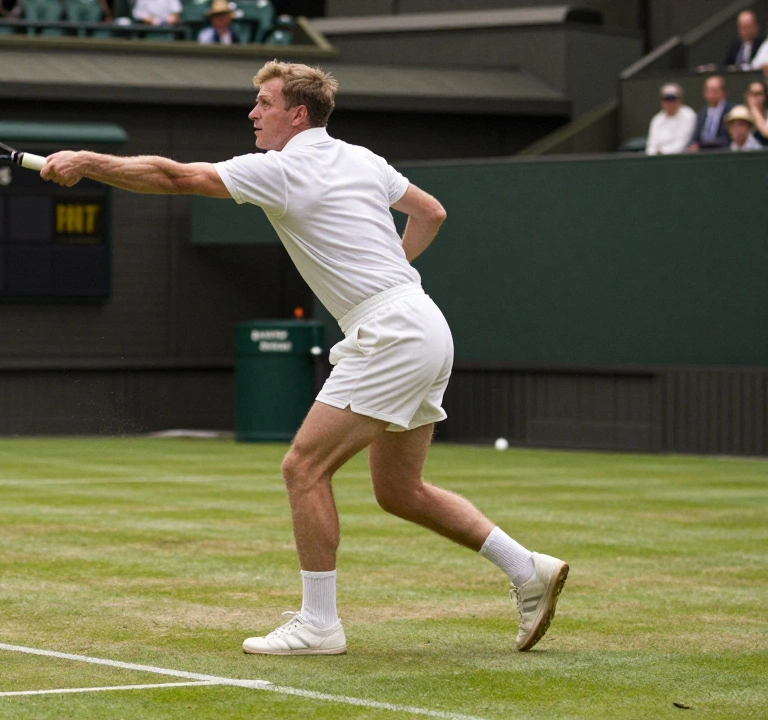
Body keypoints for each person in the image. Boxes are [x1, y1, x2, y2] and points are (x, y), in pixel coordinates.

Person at [39, 60, 568, 655]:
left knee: (303, 468)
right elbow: (431, 213)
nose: (252, 113)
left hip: (391, 331)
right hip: (423, 321)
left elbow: (173, 176)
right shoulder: (362, 158)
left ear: (296, 114)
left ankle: (320, 625)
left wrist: (88, 162)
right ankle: (528, 569)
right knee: (400, 491)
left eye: (263, 103)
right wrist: (389, 275)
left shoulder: (283, 170)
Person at [646, 82, 697, 156]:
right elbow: (651, 145)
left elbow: (681, 144)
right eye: (665, 99)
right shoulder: (657, 119)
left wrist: (661, 152)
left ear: (680, 100)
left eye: (672, 99)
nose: (668, 103)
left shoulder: (688, 115)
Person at [688, 75, 731, 151]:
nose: (711, 94)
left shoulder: (731, 111)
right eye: (708, 90)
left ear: (723, 92)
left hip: (723, 151)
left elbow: (729, 138)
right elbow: (695, 137)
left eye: (714, 90)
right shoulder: (702, 113)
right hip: (702, 153)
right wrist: (694, 145)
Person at [743, 80, 768, 144]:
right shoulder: (741, 112)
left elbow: (766, 133)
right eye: (751, 93)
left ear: (764, 96)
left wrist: (754, 109)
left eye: (758, 94)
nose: (754, 97)